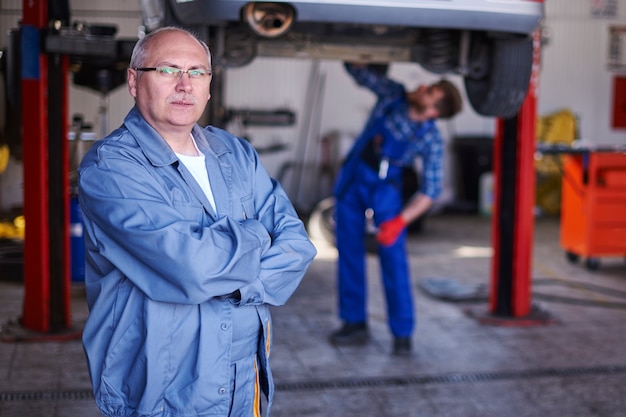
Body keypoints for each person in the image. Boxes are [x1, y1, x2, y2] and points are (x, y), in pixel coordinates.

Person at [78, 26, 316, 417]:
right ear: (135, 81)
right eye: (168, 70)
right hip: (162, 386)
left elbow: (297, 245)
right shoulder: (112, 168)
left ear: (209, 85)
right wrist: (258, 235)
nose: (185, 85)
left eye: (198, 72)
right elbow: (193, 268)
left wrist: (233, 275)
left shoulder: (235, 152)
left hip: (244, 378)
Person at [329, 62, 462, 356]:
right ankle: (354, 323)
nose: (422, 87)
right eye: (429, 86)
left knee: (394, 260)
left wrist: (400, 222)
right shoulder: (393, 95)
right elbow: (359, 73)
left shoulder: (430, 139)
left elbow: (430, 191)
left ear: (433, 112)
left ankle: (402, 334)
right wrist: (362, 54)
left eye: (431, 92)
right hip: (354, 179)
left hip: (386, 193)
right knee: (349, 253)